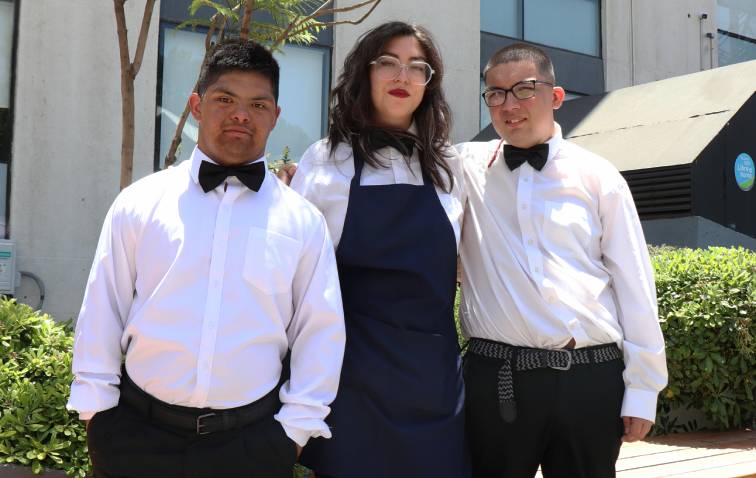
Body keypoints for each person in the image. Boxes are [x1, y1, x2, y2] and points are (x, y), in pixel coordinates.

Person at [67, 40, 345, 478]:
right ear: (197, 105)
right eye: (225, 99)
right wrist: (96, 416)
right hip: (135, 440)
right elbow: (104, 309)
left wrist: (292, 434)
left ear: (274, 115)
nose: (240, 114)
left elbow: (320, 331)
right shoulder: (140, 202)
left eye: (257, 104)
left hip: (251, 447)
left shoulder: (302, 221)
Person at [456, 43, 667, 478]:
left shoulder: (599, 176)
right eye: (495, 93)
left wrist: (644, 390)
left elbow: (635, 287)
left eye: (524, 89)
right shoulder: (463, 168)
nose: (508, 105)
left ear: (555, 97)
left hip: (589, 381)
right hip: (497, 378)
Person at [287, 21, 469, 478]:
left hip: (432, 379)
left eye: (417, 67)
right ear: (363, 74)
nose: (402, 77)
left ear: (430, 83)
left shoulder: (450, 165)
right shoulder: (325, 159)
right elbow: (297, 282)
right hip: (350, 379)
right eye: (388, 62)